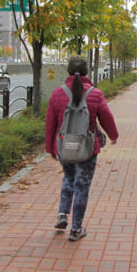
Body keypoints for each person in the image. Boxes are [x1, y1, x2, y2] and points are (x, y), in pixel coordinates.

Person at [45, 56, 119, 241]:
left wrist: (50, 148)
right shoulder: (95, 94)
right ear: (87, 72)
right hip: (86, 148)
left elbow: (50, 124)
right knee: (82, 186)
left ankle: (62, 214)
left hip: (64, 146)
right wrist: (113, 136)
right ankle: (76, 229)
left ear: (68, 72)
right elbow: (106, 118)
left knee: (68, 179)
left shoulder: (58, 93)